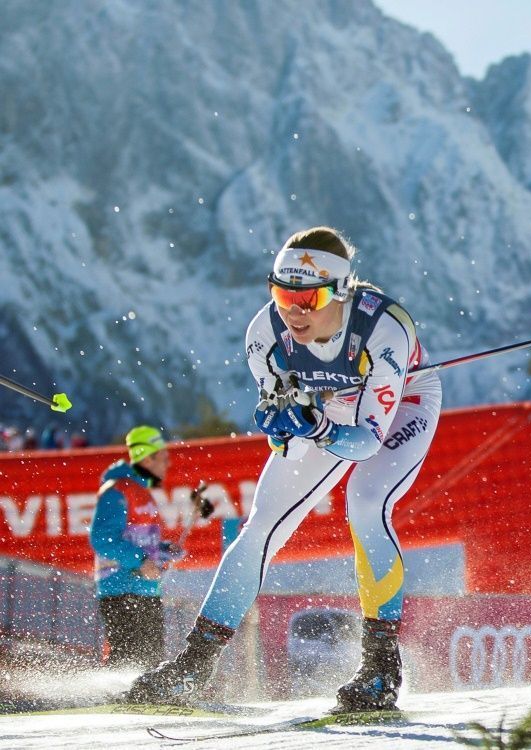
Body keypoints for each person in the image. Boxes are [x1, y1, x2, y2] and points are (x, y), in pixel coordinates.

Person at [125, 226, 442, 711]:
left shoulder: (385, 330)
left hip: (403, 405)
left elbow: (368, 440)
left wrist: (315, 428)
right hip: (334, 409)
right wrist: (283, 429)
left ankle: (381, 667)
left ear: (340, 291)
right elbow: (289, 445)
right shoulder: (264, 335)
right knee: (261, 528)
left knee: (365, 503)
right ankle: (194, 664)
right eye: (281, 293)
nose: (293, 310)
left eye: (308, 298)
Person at [89, 425, 180, 668]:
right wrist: (141, 561)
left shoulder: (143, 492)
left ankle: (145, 701)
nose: (167, 464)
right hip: (120, 589)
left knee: (151, 662)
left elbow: (138, 540)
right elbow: (103, 540)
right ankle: (116, 700)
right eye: (162, 457)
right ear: (147, 457)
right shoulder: (117, 490)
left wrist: (162, 549)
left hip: (144, 589)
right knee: (127, 661)